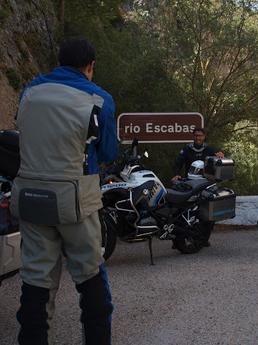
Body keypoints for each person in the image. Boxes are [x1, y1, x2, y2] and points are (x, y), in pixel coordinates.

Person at [11, 38, 118, 345]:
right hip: (75, 201)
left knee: (35, 281)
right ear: (90, 66)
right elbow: (108, 151)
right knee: (90, 277)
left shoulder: (29, 91)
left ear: (59, 62)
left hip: (29, 197)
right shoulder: (99, 98)